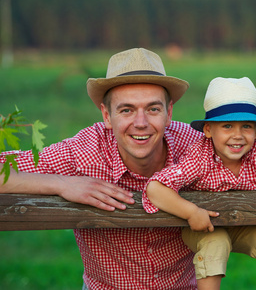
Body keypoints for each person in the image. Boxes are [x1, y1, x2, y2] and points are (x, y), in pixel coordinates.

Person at [0, 48, 204, 289]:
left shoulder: (194, 146)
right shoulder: (85, 151)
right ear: (107, 116)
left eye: (153, 109)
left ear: (168, 113)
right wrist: (62, 183)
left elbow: (251, 167)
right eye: (126, 110)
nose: (141, 123)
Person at [143, 77, 256, 290]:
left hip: (244, 223)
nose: (238, 136)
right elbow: (155, 187)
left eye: (247, 126)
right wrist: (191, 212)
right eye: (227, 126)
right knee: (216, 242)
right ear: (208, 130)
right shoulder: (199, 158)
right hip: (204, 227)